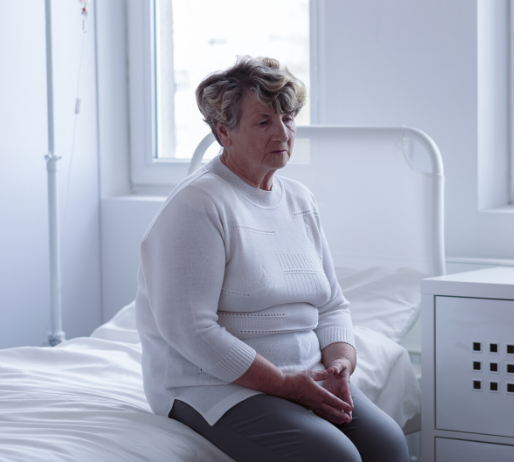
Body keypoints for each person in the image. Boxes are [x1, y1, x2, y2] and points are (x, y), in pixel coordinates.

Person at [135, 56, 409, 461]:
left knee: (389, 446)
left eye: (289, 118)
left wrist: (338, 366)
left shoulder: (299, 199)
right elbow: (190, 330)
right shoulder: (199, 204)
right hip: (213, 386)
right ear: (223, 132)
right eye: (264, 122)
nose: (283, 132)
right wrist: (284, 383)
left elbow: (332, 304)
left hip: (304, 376)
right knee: (335, 457)